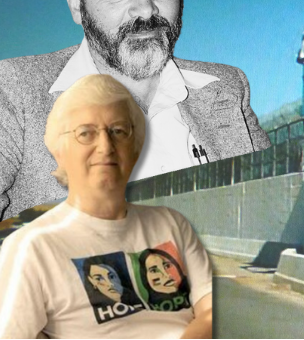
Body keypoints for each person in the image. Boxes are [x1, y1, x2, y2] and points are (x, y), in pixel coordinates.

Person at [0, 0, 271, 221]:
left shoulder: (227, 88)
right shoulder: (16, 92)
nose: (145, 9)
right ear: (77, 3)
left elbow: (270, 210)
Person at [0, 74, 212, 338]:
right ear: (59, 150)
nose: (105, 146)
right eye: (85, 133)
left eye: (119, 131)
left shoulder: (172, 224)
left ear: (135, 147)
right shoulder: (30, 248)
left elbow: (209, 309)